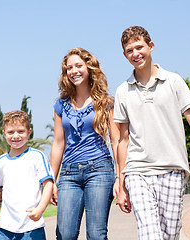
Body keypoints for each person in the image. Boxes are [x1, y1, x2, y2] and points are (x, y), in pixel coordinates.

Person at [114, 26, 190, 240]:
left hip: (172, 169)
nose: (135, 54)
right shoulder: (122, 91)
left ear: (151, 46)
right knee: (150, 235)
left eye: (139, 47)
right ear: (124, 55)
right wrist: (120, 182)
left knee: (169, 235)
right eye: (129, 51)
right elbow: (123, 140)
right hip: (137, 170)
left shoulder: (174, 81)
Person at [50, 47, 119, 240]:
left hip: (100, 169)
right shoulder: (60, 105)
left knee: (96, 235)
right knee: (65, 235)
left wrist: (121, 177)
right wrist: (51, 181)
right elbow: (57, 144)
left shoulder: (106, 102)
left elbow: (116, 140)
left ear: (89, 67)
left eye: (78, 66)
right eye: (69, 68)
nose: (74, 71)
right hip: (68, 173)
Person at [0, 110, 54, 240]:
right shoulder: (1, 161)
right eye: (11, 132)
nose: (16, 136)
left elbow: (48, 185)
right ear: (4, 134)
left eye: (20, 131)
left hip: (31, 225)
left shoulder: (37, 156)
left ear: (29, 132)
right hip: (5, 227)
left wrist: (40, 209)